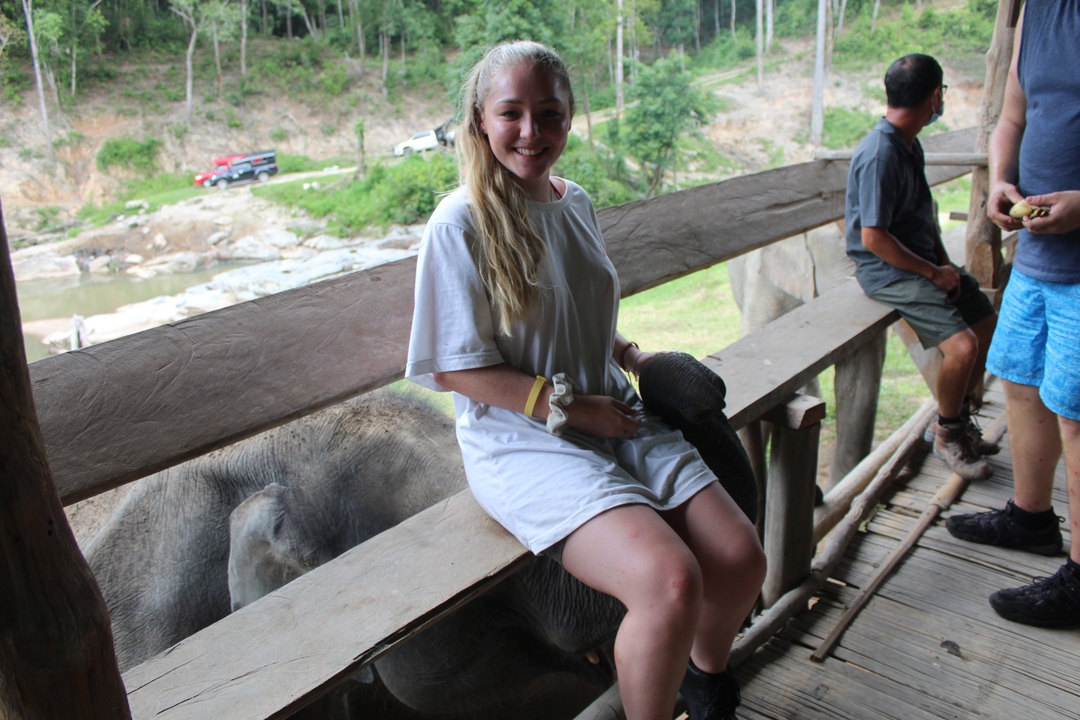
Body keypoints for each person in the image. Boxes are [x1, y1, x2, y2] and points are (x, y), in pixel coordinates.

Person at [405, 41, 766, 720]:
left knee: (741, 556)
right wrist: (570, 410)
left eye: (549, 111)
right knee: (669, 580)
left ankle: (704, 681)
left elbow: (582, 307)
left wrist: (630, 356)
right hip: (524, 440)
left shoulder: (577, 202)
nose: (531, 131)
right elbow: (454, 366)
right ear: (480, 120)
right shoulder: (460, 223)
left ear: (570, 115)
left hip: (612, 410)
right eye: (511, 113)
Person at [945, 0, 1080, 629]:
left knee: (1077, 414)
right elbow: (1013, 118)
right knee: (1021, 384)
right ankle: (1031, 520)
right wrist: (1002, 180)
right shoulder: (1036, 12)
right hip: (1038, 252)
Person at [845, 53, 998, 481]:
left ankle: (958, 418)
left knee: (986, 323)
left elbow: (923, 216)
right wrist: (932, 273)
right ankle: (948, 432)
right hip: (886, 271)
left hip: (923, 263)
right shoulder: (880, 153)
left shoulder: (908, 144)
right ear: (935, 96)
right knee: (963, 347)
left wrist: (947, 267)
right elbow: (873, 239)